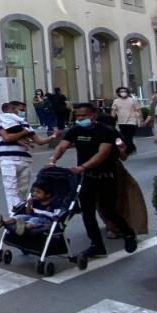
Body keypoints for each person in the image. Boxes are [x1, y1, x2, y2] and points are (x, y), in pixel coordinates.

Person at [48, 101, 137, 260]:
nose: (80, 118)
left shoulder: (106, 132)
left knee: (108, 210)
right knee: (87, 213)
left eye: (84, 115)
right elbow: (62, 146)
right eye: (78, 116)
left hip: (106, 177)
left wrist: (83, 166)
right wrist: (52, 160)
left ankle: (128, 233)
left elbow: (102, 154)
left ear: (93, 115)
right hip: (85, 179)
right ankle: (97, 245)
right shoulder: (75, 131)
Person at [0, 101, 53, 215]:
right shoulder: (2, 120)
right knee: (11, 188)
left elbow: (39, 141)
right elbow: (7, 138)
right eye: (19, 110)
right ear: (12, 109)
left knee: (23, 189)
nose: (20, 112)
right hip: (8, 159)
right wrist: (23, 132)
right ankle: (14, 215)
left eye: (22, 110)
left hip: (25, 160)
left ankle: (21, 214)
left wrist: (54, 136)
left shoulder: (24, 123)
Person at [0, 182, 64, 235]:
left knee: (35, 219)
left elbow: (58, 215)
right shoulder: (35, 202)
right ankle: (3, 222)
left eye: (38, 192)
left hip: (46, 221)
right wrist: (29, 204)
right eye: (33, 191)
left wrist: (56, 219)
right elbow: (28, 213)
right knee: (21, 216)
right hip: (33, 216)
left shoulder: (54, 205)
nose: (34, 194)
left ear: (48, 195)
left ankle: (25, 228)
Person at [110, 87, 142, 157]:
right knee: (123, 137)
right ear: (118, 93)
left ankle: (128, 150)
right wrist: (112, 120)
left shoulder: (133, 100)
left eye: (124, 91)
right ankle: (132, 148)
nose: (123, 93)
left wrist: (140, 120)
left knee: (128, 137)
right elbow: (113, 111)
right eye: (121, 91)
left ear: (127, 92)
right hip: (121, 122)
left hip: (132, 121)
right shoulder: (116, 101)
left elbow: (138, 110)